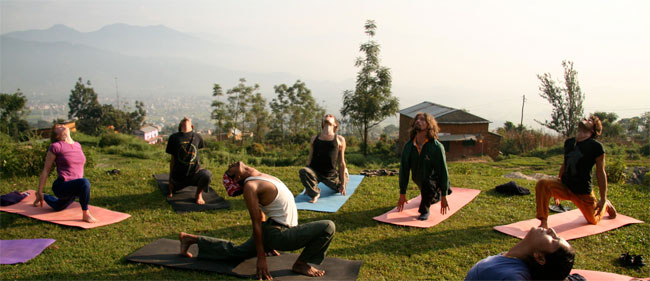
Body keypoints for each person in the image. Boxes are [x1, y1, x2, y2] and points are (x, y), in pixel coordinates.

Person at [179, 161, 336, 280]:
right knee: (328, 226)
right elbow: (255, 222)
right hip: (279, 234)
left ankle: (190, 239)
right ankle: (301, 264)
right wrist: (261, 258)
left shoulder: (259, 176)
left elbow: (261, 215)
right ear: (238, 177)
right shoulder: (250, 186)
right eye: (230, 171)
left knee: (236, 252)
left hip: (272, 231)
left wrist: (267, 243)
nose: (231, 165)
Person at [535, 116, 617, 229]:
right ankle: (543, 223)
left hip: (582, 192)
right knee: (542, 183)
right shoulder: (569, 142)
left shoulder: (596, 147)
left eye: (589, 121)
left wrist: (603, 199)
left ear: (593, 130)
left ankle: (606, 205)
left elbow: (600, 173)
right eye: (585, 118)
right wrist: (556, 186)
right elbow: (565, 164)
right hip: (565, 186)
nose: (585, 120)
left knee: (593, 220)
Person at [32, 124, 98, 223]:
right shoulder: (55, 146)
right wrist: (40, 189)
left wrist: (41, 194)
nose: (62, 125)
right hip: (62, 186)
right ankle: (86, 214)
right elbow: (46, 170)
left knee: (58, 206)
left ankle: (43, 196)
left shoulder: (77, 145)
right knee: (85, 182)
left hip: (74, 187)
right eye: (58, 127)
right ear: (57, 136)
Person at [464, 227, 575, 281]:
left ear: (540, 258)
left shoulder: (512, 277)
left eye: (554, 240)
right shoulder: (513, 259)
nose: (551, 230)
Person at [397, 112, 451, 220]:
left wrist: (444, 195)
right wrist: (402, 193)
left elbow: (442, 171)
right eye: (417, 119)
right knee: (431, 194)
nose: (418, 121)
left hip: (433, 180)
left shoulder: (436, 147)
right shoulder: (408, 147)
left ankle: (425, 210)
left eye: (422, 120)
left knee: (428, 183)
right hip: (419, 179)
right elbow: (404, 170)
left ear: (429, 125)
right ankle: (437, 195)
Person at [299, 114, 348, 203]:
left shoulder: (340, 139)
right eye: (327, 115)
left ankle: (346, 174)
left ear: (335, 124)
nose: (328, 115)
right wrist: (307, 185)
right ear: (322, 123)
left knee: (338, 189)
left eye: (331, 116)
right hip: (315, 173)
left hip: (331, 176)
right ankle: (315, 194)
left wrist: (343, 184)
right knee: (303, 170)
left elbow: (341, 162)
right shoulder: (314, 138)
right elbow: (310, 159)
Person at [165, 117, 212, 204]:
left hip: (194, 176)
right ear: (180, 126)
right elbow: (172, 160)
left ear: (192, 126)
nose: (185, 118)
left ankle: (198, 195)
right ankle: (174, 185)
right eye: (182, 119)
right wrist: (170, 180)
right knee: (172, 187)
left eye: (188, 119)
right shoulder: (173, 138)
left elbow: (196, 156)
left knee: (207, 174)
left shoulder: (198, 137)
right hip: (178, 178)